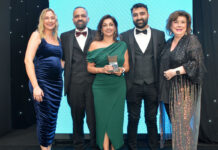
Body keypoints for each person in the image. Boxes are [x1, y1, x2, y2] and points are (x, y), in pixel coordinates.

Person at [120, 3, 165, 150]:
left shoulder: (160, 34)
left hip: (153, 84)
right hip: (132, 84)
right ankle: (132, 147)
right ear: (132, 17)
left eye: (142, 13)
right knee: (133, 118)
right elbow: (119, 57)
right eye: (135, 14)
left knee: (151, 119)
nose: (139, 17)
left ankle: (154, 146)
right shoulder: (124, 35)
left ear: (148, 14)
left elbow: (164, 59)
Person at [160, 10, 206, 150]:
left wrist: (175, 71)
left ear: (187, 25)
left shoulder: (191, 40)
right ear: (170, 24)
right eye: (176, 22)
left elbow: (196, 63)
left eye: (182, 22)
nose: (179, 25)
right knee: (177, 126)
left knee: (182, 125)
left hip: (184, 90)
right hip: (168, 91)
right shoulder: (168, 43)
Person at [87, 15, 129, 150]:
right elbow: (89, 68)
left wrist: (121, 70)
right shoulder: (94, 45)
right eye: (105, 25)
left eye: (111, 24)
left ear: (115, 28)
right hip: (100, 87)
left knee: (116, 120)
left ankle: (114, 147)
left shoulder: (122, 45)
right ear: (101, 29)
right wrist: (102, 69)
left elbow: (127, 67)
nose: (108, 27)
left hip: (118, 86)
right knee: (103, 120)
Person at [24, 8, 63, 150]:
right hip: (41, 83)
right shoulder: (36, 35)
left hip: (57, 85)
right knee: (44, 119)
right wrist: (35, 86)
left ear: (56, 20)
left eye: (52, 18)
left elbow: (59, 61)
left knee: (52, 119)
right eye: (47, 18)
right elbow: (28, 61)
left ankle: (48, 148)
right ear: (42, 20)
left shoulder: (57, 38)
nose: (50, 20)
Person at [60, 7, 97, 150]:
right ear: (73, 19)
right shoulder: (64, 36)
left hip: (94, 84)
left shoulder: (97, 34)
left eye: (82, 15)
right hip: (73, 84)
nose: (80, 18)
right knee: (77, 119)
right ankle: (78, 146)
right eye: (77, 16)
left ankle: (95, 145)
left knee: (94, 120)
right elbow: (61, 59)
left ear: (88, 18)